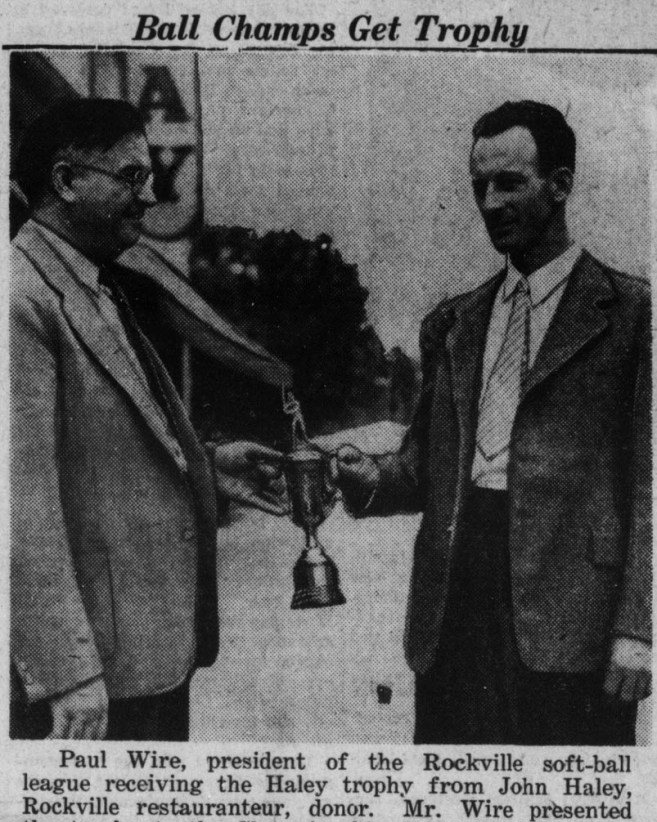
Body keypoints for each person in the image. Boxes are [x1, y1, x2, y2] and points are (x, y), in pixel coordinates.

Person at [333, 101, 651, 745]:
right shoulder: (454, 323)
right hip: (453, 609)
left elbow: (652, 484)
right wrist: (366, 475)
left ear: (560, 184)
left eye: (510, 183)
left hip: (574, 623)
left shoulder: (632, 315)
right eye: (480, 186)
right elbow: (422, 468)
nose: (490, 203)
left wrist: (639, 626)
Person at [11, 98, 285, 741]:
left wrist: (208, 468)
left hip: (145, 662)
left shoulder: (93, 284)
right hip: (91, 683)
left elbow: (99, 452)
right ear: (66, 181)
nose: (151, 197)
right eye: (131, 177)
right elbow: (19, 505)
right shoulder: (20, 298)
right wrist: (66, 673)